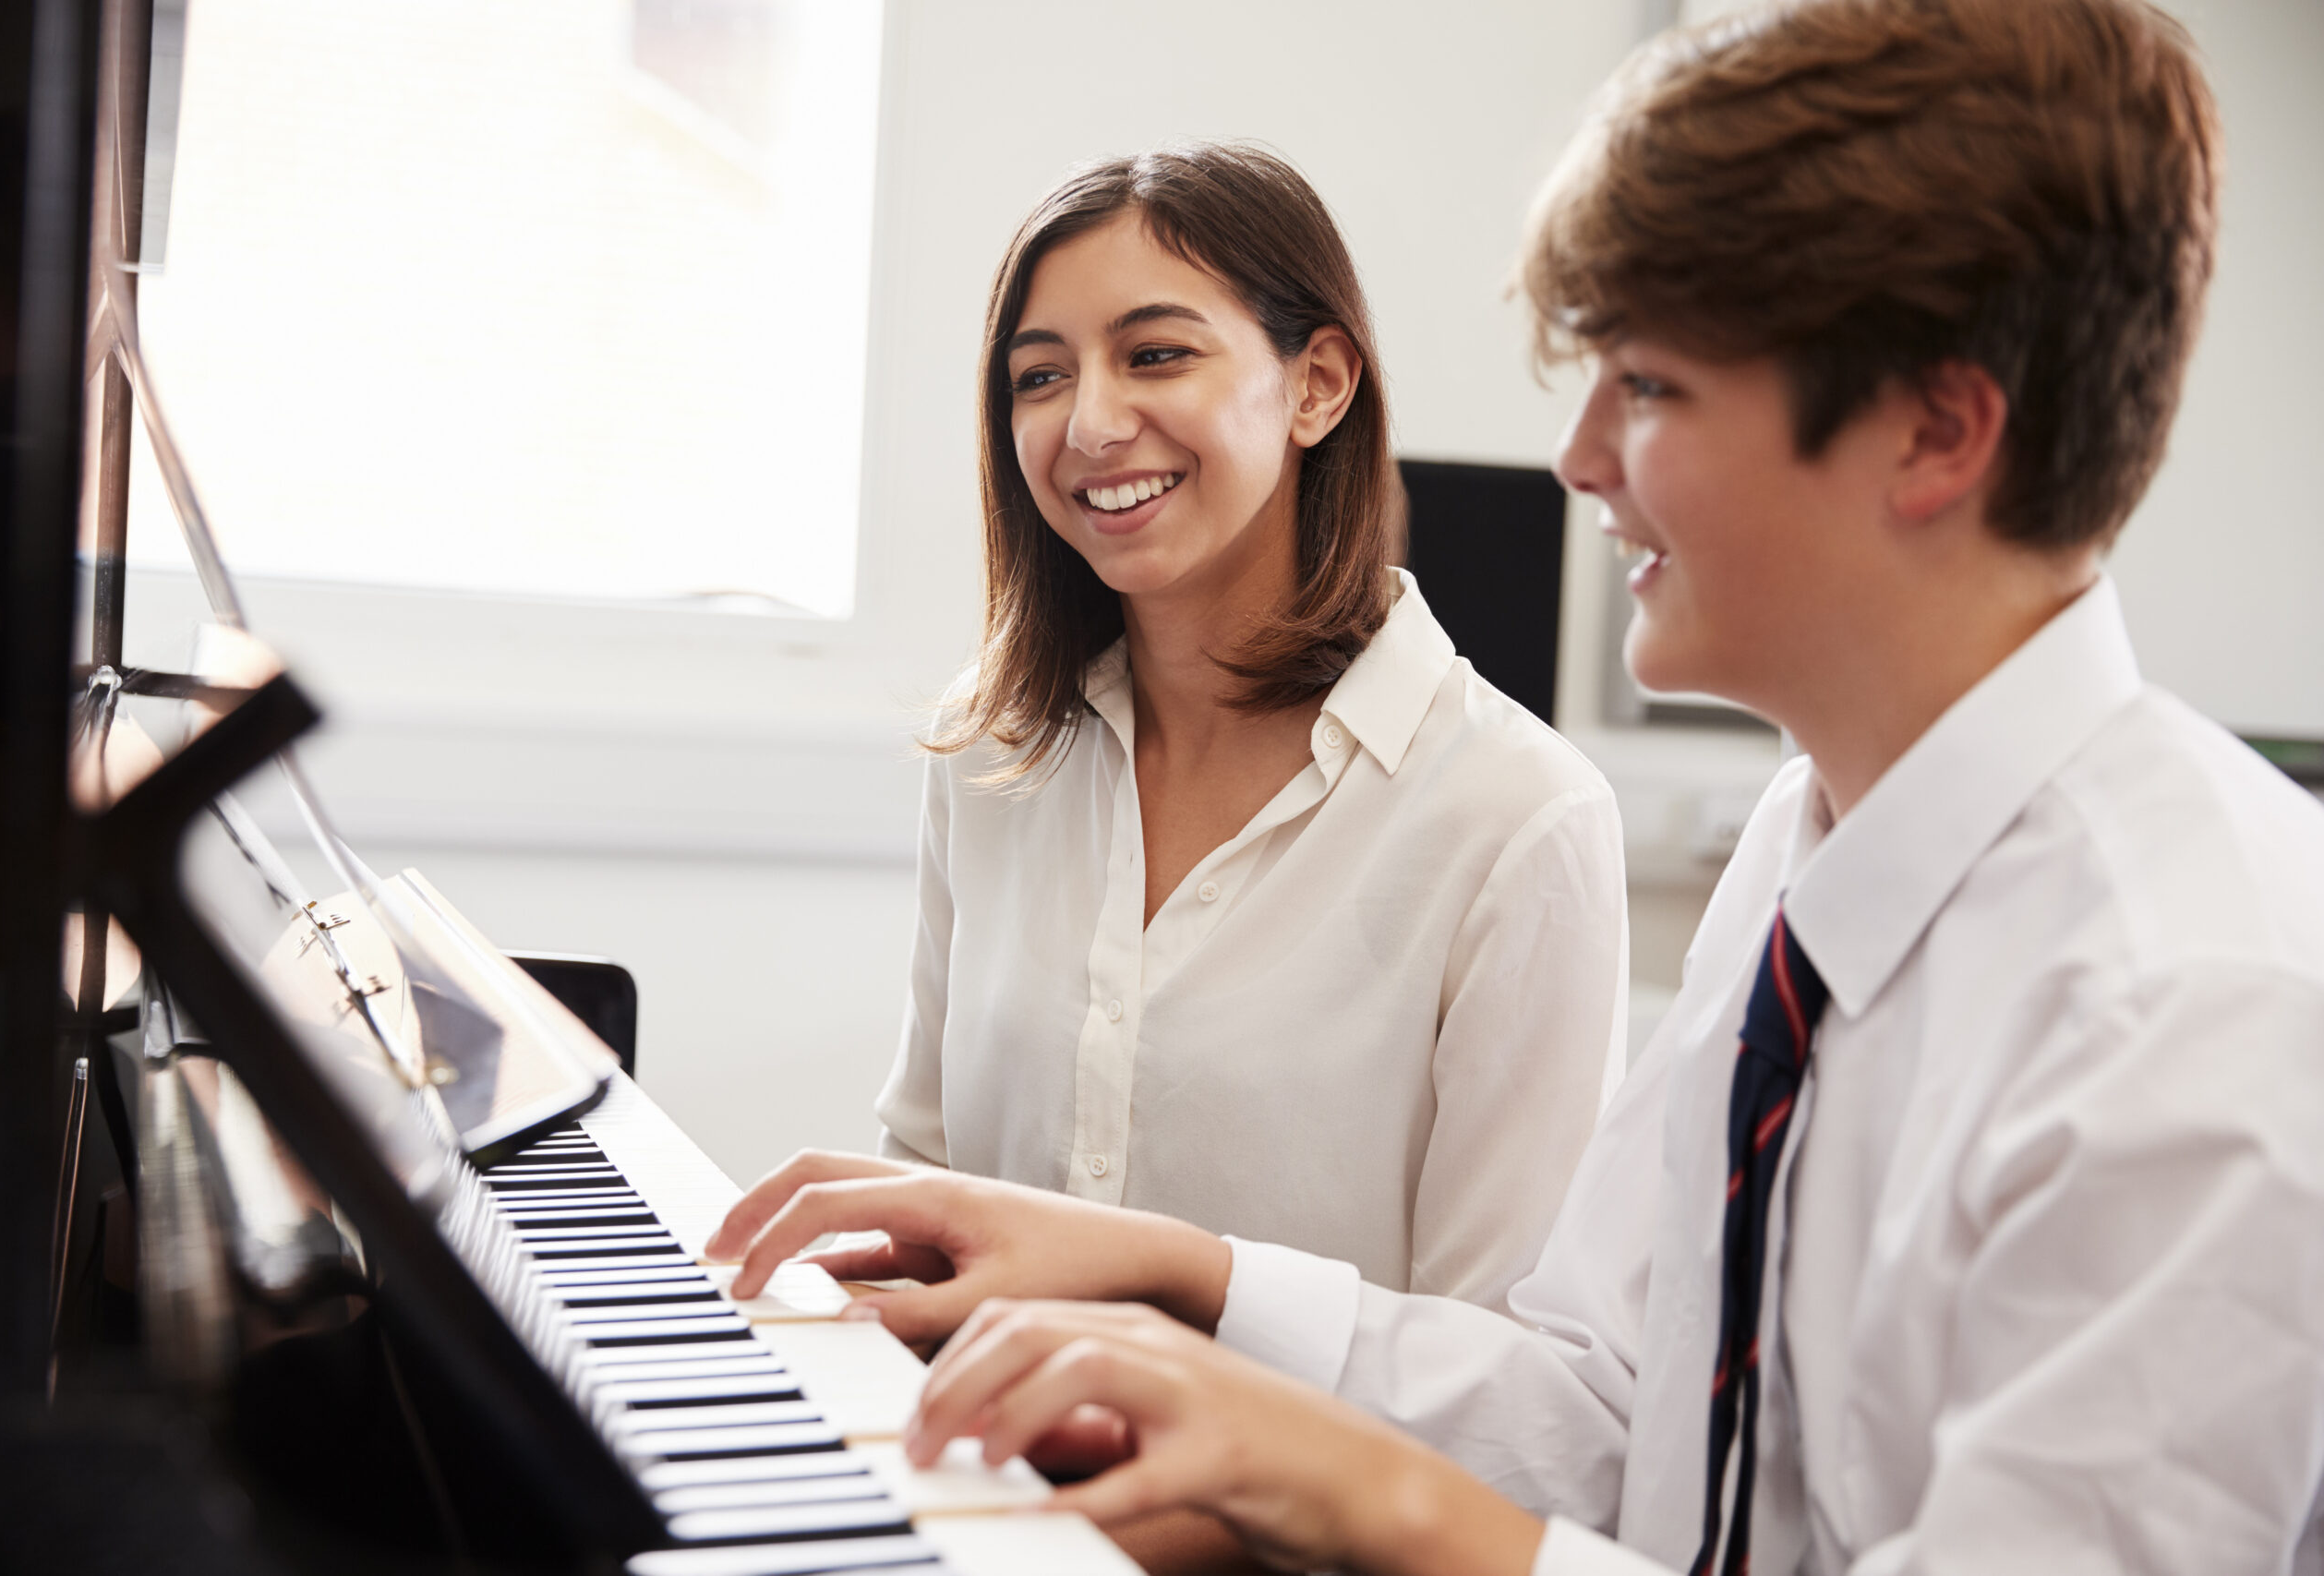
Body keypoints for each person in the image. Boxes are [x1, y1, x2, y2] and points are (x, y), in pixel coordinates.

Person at [710, 1, 2324, 1571]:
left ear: (1936, 432)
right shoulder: (1809, 847)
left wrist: (1374, 1501)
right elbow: (1608, 1408)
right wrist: (1175, 1277)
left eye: (1651, 386)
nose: (1577, 459)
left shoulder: (2194, 996)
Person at [864, 142, 1628, 1310]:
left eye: (1154, 355)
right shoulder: (992, 748)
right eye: (1039, 376)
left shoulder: (1518, 817)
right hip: (972, 1474)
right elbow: (925, 1179)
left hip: (1296, 1500)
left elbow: (1502, 1376)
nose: (1089, 424)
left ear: (1317, 385)